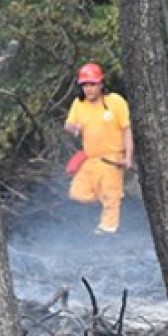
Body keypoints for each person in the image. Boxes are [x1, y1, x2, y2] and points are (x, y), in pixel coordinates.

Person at [64, 62, 133, 234]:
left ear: (101, 84)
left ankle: (108, 231)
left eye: (92, 84)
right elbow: (69, 124)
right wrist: (74, 128)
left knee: (111, 198)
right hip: (90, 158)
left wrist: (128, 157)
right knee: (77, 193)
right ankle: (105, 205)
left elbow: (126, 130)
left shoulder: (115, 102)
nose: (89, 89)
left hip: (112, 158)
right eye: (85, 85)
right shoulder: (79, 104)